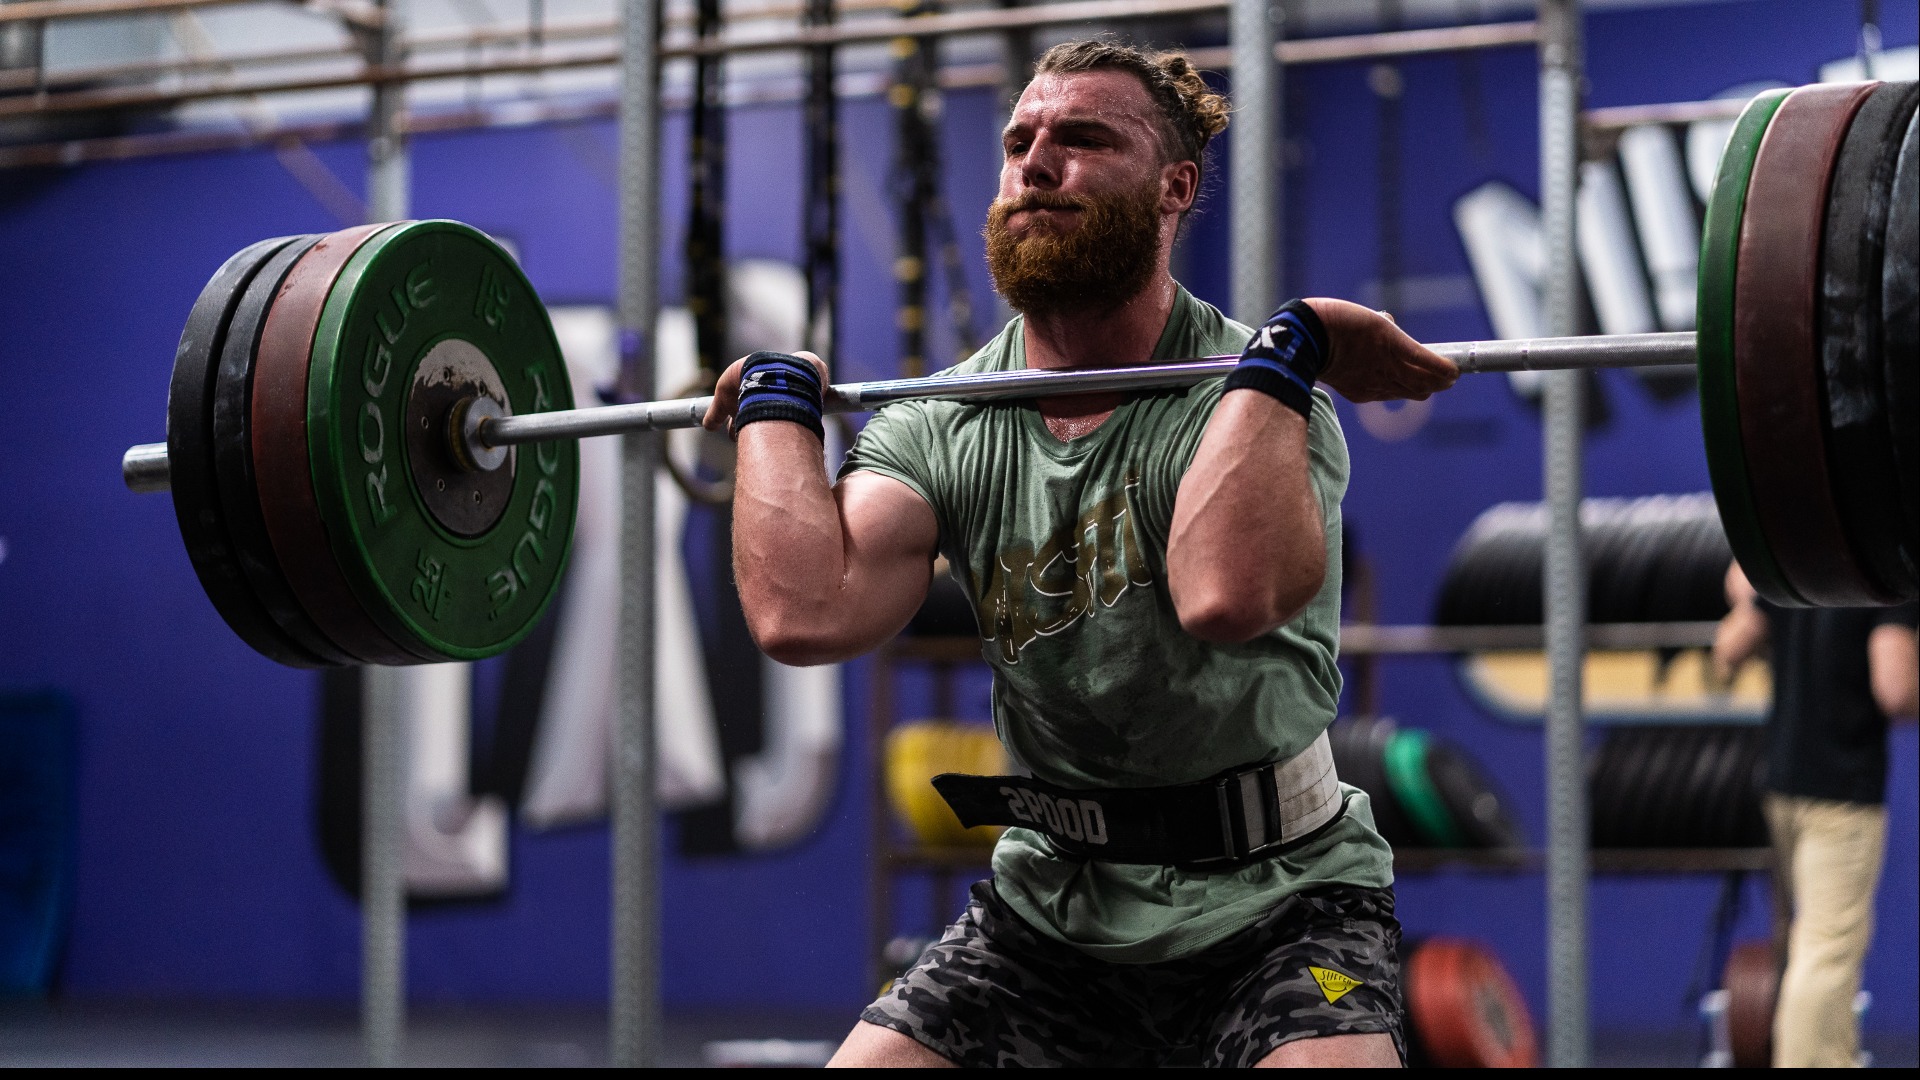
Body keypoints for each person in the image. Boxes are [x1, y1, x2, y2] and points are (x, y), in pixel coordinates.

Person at [703, 40, 1455, 1068]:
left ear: (1173, 188)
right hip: (1052, 912)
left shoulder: (1256, 404)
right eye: (1021, 142)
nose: (1035, 163)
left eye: (1084, 138)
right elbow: (804, 614)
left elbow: (1225, 595)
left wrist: (1289, 355)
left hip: (1286, 907)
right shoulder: (945, 422)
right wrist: (776, 408)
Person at [1713, 565, 1918, 1068]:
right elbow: (1894, 686)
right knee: (1826, 956)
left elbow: (1728, 650)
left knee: (1803, 952)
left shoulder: (1797, 560)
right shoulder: (1891, 571)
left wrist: (1748, 594)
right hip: (1841, 793)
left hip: (1783, 786)